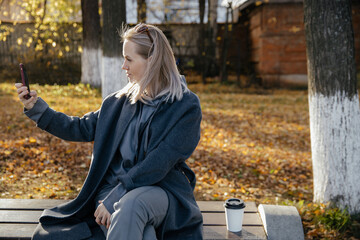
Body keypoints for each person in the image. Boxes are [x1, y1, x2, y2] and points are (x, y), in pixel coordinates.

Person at [15, 23, 203, 240]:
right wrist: (36, 108)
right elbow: (79, 128)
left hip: (159, 191)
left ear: (152, 60)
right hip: (109, 194)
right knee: (143, 232)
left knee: (131, 204)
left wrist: (117, 196)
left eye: (129, 59)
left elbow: (159, 162)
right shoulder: (118, 103)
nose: (123, 66)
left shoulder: (185, 106)